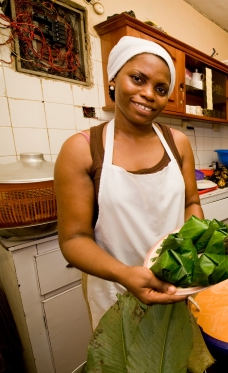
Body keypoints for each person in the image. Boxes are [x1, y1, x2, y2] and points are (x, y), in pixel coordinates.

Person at [54, 36, 202, 329]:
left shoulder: (179, 144)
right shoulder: (81, 149)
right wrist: (125, 274)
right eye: (137, 79)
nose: (148, 94)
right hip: (115, 291)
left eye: (160, 89)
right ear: (113, 79)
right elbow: (73, 239)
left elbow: (191, 203)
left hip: (175, 286)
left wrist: (194, 247)